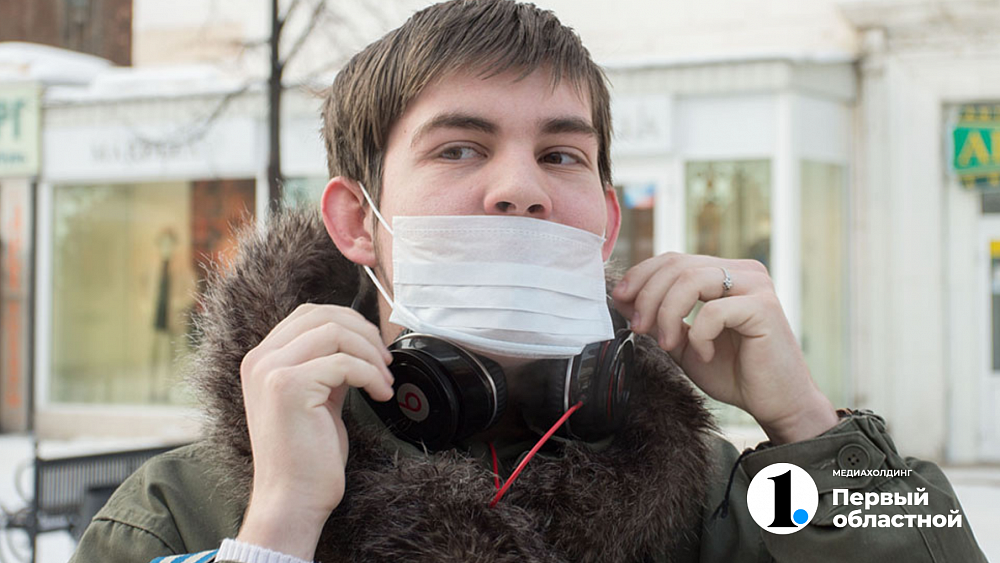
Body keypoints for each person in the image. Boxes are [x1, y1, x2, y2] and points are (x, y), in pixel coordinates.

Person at [70, 1, 988, 562]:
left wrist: (810, 426)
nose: (520, 188)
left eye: (561, 153)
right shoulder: (180, 513)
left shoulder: (714, 491)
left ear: (605, 224)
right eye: (461, 147)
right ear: (357, 222)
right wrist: (277, 529)